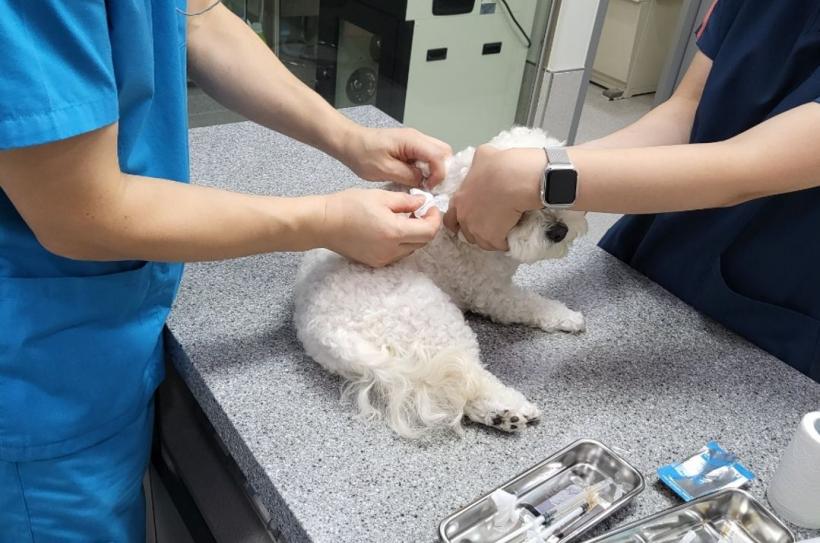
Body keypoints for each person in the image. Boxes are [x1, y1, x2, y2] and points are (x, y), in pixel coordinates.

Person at [0, 1, 448, 540]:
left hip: (100, 337)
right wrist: (324, 220)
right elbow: (80, 212)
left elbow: (196, 18)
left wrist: (351, 138)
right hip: (35, 382)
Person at [446, 0, 820, 382]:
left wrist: (547, 178)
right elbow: (687, 110)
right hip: (656, 240)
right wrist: (549, 166)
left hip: (768, 293)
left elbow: (748, 168)